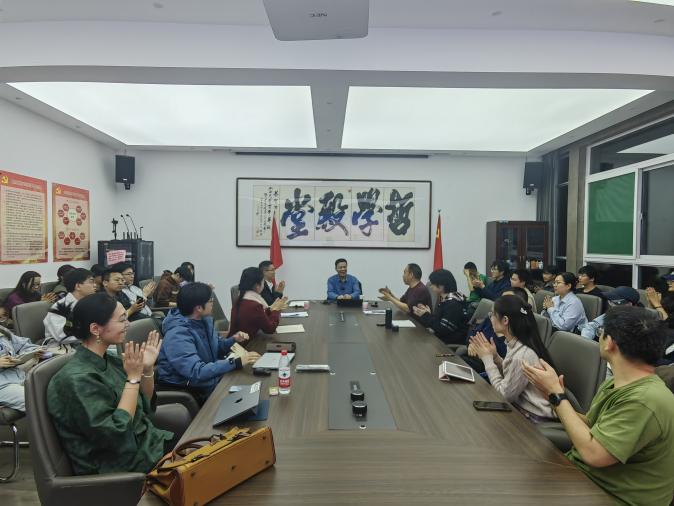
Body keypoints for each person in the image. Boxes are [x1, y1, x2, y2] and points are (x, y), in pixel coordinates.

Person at [523, 306, 674, 506]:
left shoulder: (645, 400)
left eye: (601, 332)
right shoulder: (618, 383)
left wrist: (557, 395)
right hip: (587, 478)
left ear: (610, 343)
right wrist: (553, 398)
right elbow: (593, 425)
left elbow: (595, 455)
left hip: (612, 495)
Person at [47, 292, 184, 475]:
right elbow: (116, 433)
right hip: (120, 464)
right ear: (95, 329)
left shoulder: (110, 360)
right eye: (122, 320)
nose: (128, 324)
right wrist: (133, 378)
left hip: (147, 445)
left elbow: (145, 406)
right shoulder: (75, 379)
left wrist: (146, 369)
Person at [157, 282, 259, 405]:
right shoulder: (177, 335)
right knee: (243, 394)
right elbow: (196, 372)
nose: (212, 303)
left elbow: (216, 348)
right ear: (199, 308)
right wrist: (235, 362)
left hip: (208, 378)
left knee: (250, 385)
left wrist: (233, 340)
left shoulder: (202, 321)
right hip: (189, 389)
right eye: (210, 300)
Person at [469, 295, 557, 423]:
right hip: (521, 408)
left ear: (505, 320)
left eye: (492, 314)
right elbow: (512, 374)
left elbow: (504, 395)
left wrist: (487, 359)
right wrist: (495, 357)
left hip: (533, 418)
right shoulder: (517, 344)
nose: (490, 318)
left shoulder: (522, 355)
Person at [461, 287, 530, 374]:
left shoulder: (518, 341)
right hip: (474, 362)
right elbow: (473, 332)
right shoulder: (493, 318)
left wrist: (492, 357)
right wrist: (471, 344)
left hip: (489, 373)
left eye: (505, 301)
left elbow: (508, 372)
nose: (500, 303)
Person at [43, 268, 97, 348]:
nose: (95, 285)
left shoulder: (89, 303)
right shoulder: (59, 308)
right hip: (62, 349)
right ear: (78, 286)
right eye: (91, 282)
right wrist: (94, 333)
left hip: (85, 343)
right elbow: (62, 336)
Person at [413, 269, 468, 345]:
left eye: (432, 284)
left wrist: (426, 315)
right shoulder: (446, 300)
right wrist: (428, 314)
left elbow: (442, 329)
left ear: (441, 286)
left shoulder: (453, 304)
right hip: (441, 339)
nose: (431, 286)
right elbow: (439, 322)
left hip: (447, 345)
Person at [228, 267, 287, 338]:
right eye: (263, 282)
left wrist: (270, 309)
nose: (264, 284)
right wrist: (276, 310)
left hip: (235, 342)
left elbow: (259, 316)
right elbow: (270, 329)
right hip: (246, 343)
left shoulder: (241, 298)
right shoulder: (254, 305)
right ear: (257, 286)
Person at [0, 325, 46, 412]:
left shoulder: (1, 330)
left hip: (17, 375)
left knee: (52, 391)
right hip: (2, 386)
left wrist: (33, 351)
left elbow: (23, 344)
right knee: (38, 400)